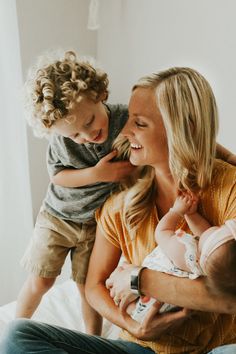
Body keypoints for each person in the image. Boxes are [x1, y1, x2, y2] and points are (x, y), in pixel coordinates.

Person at [1, 67, 236, 354]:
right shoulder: (121, 204)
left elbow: (231, 297)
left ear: (181, 127)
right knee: (18, 335)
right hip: (142, 348)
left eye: (139, 123)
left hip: (218, 347)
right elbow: (93, 286)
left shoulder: (229, 188)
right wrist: (134, 325)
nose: (123, 131)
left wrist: (141, 279)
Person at [15, 50, 135, 335]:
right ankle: (16, 330)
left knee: (87, 286)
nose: (86, 135)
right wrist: (97, 174)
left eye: (89, 122)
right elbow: (58, 177)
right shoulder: (62, 139)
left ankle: (91, 340)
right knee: (41, 280)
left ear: (100, 94)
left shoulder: (124, 120)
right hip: (57, 218)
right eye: (75, 135)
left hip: (95, 223)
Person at [129, 192, 236, 322]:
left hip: (149, 299)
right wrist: (191, 214)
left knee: (126, 285)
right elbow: (205, 235)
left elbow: (162, 232)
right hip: (167, 306)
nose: (216, 227)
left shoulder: (184, 253)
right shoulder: (210, 262)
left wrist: (176, 211)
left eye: (218, 229)